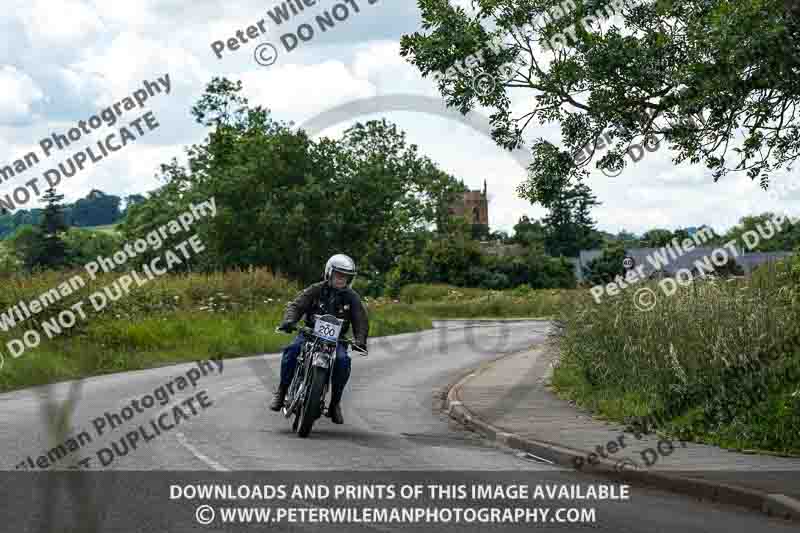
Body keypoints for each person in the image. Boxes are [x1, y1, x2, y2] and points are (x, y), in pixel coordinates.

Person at [269, 254, 369, 424]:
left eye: (345, 276)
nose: (341, 279)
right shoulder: (316, 289)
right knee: (292, 351)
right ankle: (281, 391)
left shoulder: (352, 297)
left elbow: (360, 319)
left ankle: (335, 404)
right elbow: (297, 305)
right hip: (309, 334)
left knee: (343, 361)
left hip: (336, 340)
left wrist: (360, 339)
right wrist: (289, 321)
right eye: (338, 274)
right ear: (329, 273)